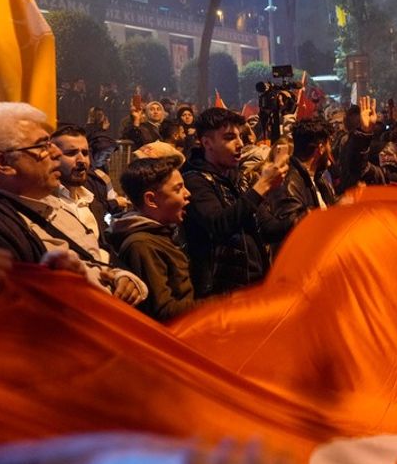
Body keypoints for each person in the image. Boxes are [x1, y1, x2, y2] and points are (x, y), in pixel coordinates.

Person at [0, 102, 146, 305]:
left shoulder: (54, 206)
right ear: (4, 164)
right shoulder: (5, 228)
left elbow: (101, 254)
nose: (56, 153)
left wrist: (125, 276)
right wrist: (67, 287)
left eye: (85, 153)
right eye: (42, 146)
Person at [182, 108, 286, 297]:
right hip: (220, 292)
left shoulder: (236, 177)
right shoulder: (194, 180)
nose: (240, 144)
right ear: (207, 143)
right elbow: (219, 224)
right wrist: (261, 186)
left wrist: (307, 217)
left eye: (240, 136)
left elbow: (268, 227)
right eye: (229, 138)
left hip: (254, 284)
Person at [108, 157, 197, 321]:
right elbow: (163, 312)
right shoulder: (142, 245)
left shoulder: (161, 233)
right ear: (151, 200)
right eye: (178, 189)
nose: (187, 193)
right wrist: (217, 304)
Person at [263, 119, 337, 251]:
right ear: (320, 148)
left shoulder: (318, 180)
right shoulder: (289, 183)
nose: (330, 150)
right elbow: (294, 237)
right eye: (328, 144)